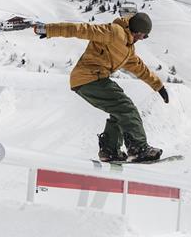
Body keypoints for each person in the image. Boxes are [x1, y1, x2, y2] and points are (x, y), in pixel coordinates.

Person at [33, 12, 169, 162]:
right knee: (126, 107)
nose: (143, 39)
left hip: (95, 78)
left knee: (120, 110)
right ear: (138, 32)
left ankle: (109, 150)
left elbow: (140, 68)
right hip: (89, 77)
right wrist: (49, 29)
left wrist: (159, 86)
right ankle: (138, 148)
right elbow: (82, 29)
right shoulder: (114, 32)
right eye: (145, 36)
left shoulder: (128, 49)